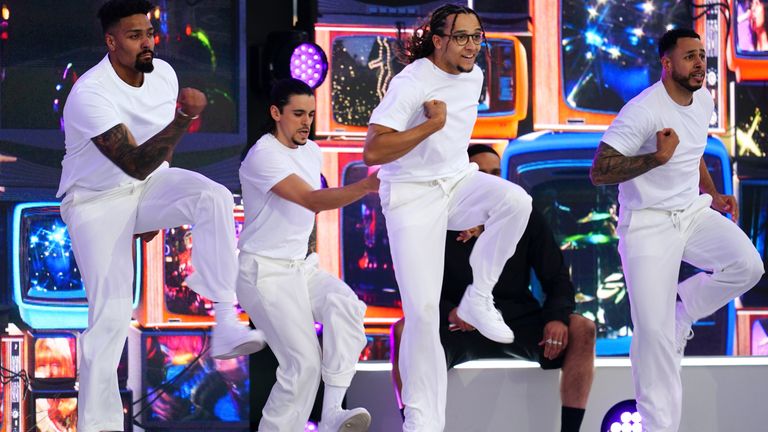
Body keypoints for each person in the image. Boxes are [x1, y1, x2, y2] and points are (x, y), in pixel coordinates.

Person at [56, 1, 265, 430]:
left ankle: (225, 321)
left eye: (149, 33)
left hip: (146, 185)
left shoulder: (164, 75)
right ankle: (99, 425)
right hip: (95, 201)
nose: (147, 43)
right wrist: (185, 116)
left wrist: (155, 212)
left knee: (214, 196)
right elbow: (132, 161)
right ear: (111, 42)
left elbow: (154, 160)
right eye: (134, 36)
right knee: (112, 315)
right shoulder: (90, 93)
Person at [364, 5, 532, 430]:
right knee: (421, 313)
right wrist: (428, 126)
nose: (473, 45)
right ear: (438, 40)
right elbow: (374, 151)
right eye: (462, 37)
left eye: (477, 36)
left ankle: (479, 297)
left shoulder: (473, 75)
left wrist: (477, 215)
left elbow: (451, 146)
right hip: (410, 196)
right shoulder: (413, 81)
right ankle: (422, 422)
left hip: (455, 183)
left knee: (515, 202)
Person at [590, 28, 764, 432]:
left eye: (702, 55)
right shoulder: (642, 111)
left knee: (747, 266)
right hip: (648, 225)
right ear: (666, 64)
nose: (700, 63)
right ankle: (658, 427)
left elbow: (693, 151)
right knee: (652, 339)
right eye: (689, 57)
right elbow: (599, 171)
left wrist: (714, 193)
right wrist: (656, 157)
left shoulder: (702, 99)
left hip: (691, 212)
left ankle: (681, 310)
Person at [390, 145, 596, 432]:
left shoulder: (524, 214)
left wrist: (556, 318)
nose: (491, 181)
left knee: (582, 329)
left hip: (514, 319)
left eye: (496, 174)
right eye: (482, 174)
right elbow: (412, 284)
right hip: (454, 324)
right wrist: (450, 313)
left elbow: (557, 277)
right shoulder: (434, 217)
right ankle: (412, 425)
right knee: (403, 331)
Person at [237, 78, 377, 432]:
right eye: (298, 113)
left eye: (311, 115)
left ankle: (331, 413)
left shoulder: (311, 151)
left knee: (346, 306)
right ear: (275, 113)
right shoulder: (263, 155)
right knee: (303, 366)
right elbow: (311, 201)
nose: (306, 122)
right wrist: (365, 185)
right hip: (264, 273)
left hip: (301, 267)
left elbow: (307, 216)